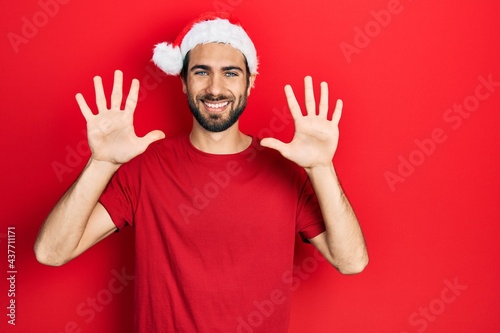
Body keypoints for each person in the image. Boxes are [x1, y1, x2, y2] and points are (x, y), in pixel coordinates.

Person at [34, 12, 368, 333]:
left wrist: (322, 168)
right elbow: (51, 253)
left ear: (251, 82)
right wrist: (102, 163)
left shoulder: (286, 170)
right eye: (202, 72)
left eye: (231, 73)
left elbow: (351, 262)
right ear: (183, 81)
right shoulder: (145, 167)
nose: (216, 88)